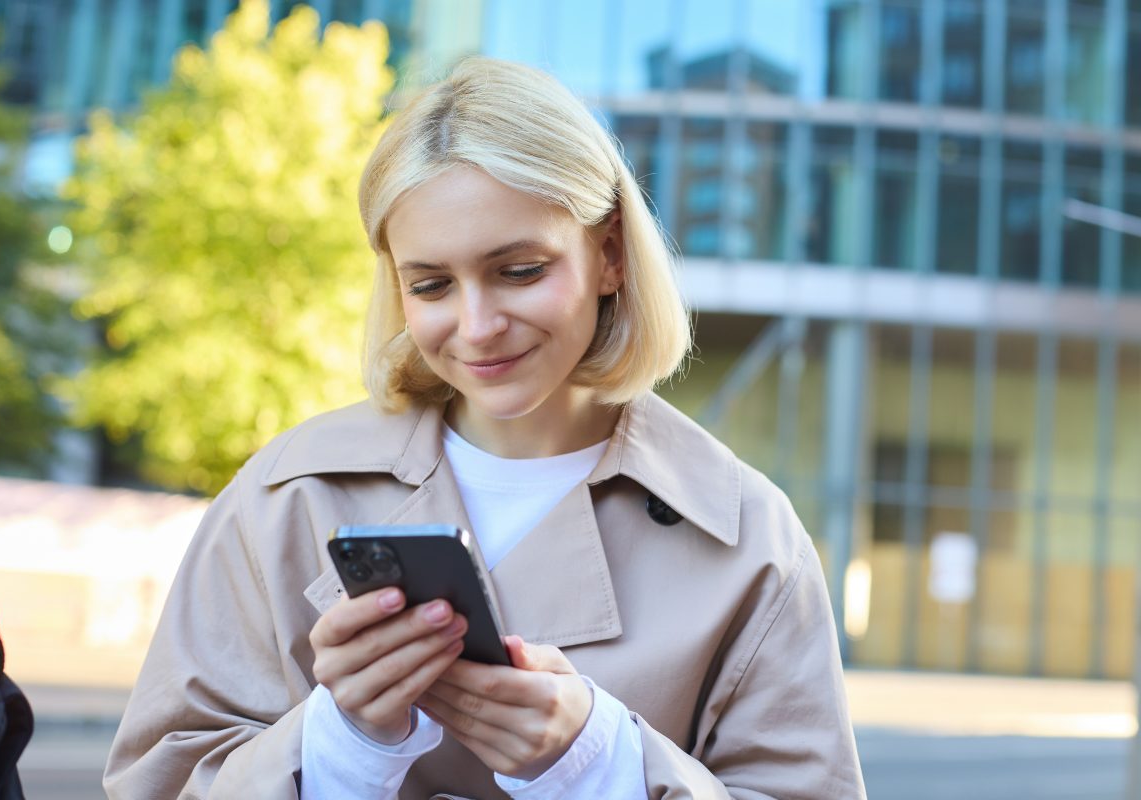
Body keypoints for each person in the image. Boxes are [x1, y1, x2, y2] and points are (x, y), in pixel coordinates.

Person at [103, 57, 866, 800]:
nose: (477, 327)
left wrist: (599, 764)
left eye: (520, 270)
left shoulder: (748, 540)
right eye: (430, 285)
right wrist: (341, 741)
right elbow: (159, 782)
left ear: (609, 256)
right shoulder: (284, 497)